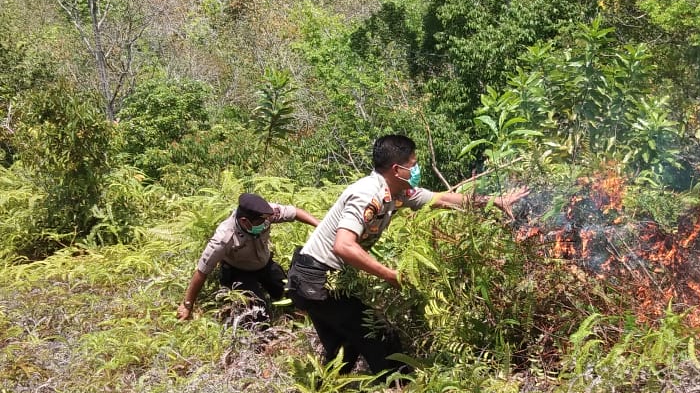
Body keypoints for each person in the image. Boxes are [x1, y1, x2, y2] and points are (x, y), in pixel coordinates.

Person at [288, 134, 527, 376]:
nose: (416, 170)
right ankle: (397, 391)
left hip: (313, 279)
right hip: (314, 279)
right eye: (413, 165)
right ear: (396, 169)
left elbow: (441, 199)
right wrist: (390, 275)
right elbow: (344, 246)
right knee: (380, 333)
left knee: (343, 347)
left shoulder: (399, 191)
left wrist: (494, 201)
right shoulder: (368, 194)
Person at [177, 192, 319, 322]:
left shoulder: (265, 213)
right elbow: (202, 272)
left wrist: (319, 225)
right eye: (261, 221)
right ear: (245, 221)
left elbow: (295, 213)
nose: (266, 222)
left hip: (265, 264)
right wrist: (187, 304)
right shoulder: (224, 238)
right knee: (258, 313)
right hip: (239, 272)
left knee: (290, 293)